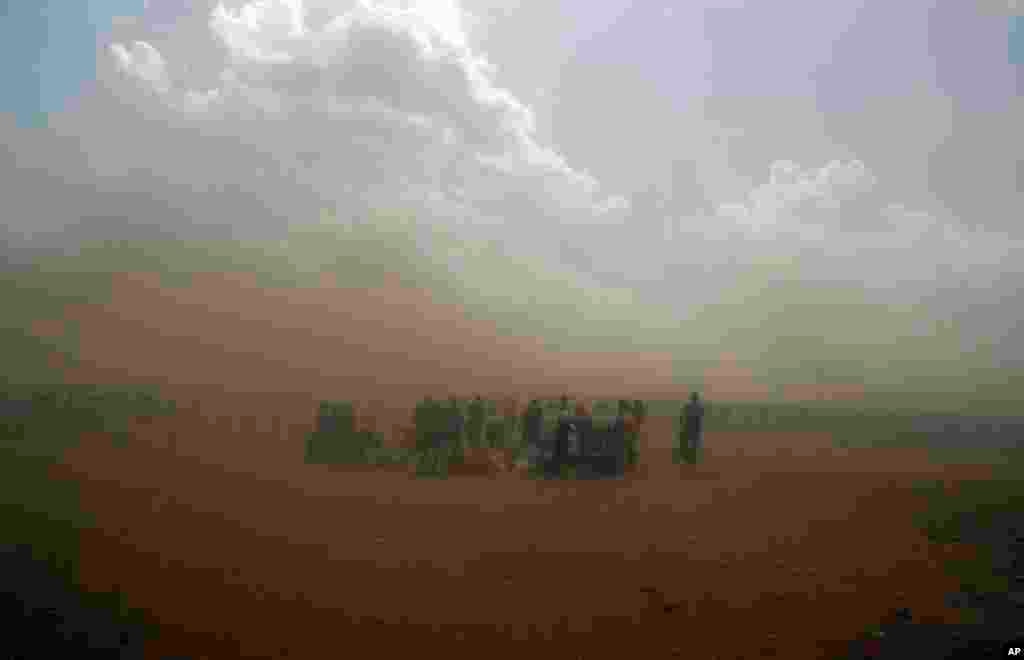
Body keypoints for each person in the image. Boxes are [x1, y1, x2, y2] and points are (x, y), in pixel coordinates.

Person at [680, 392, 705, 464]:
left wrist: (682, 424)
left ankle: (688, 457)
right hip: (696, 426)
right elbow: (701, 417)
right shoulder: (700, 406)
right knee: (694, 443)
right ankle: (692, 458)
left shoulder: (688, 405)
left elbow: (683, 415)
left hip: (689, 426)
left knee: (688, 442)